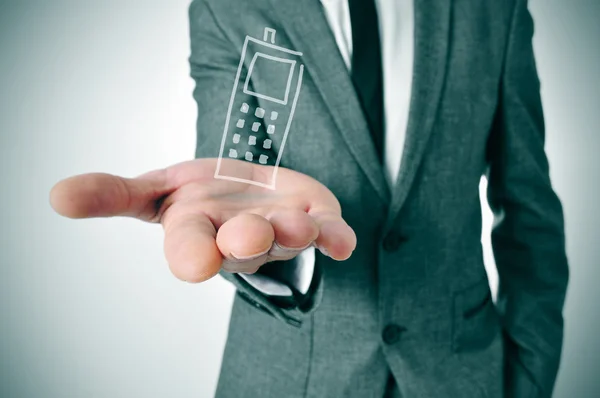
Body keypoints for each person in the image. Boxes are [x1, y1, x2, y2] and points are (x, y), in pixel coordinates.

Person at [50, 0, 569, 396]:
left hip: (463, 373)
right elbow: (231, 190)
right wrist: (267, 254)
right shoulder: (227, 7)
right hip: (290, 377)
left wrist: (528, 375)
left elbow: (530, 213)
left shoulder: (492, 10)